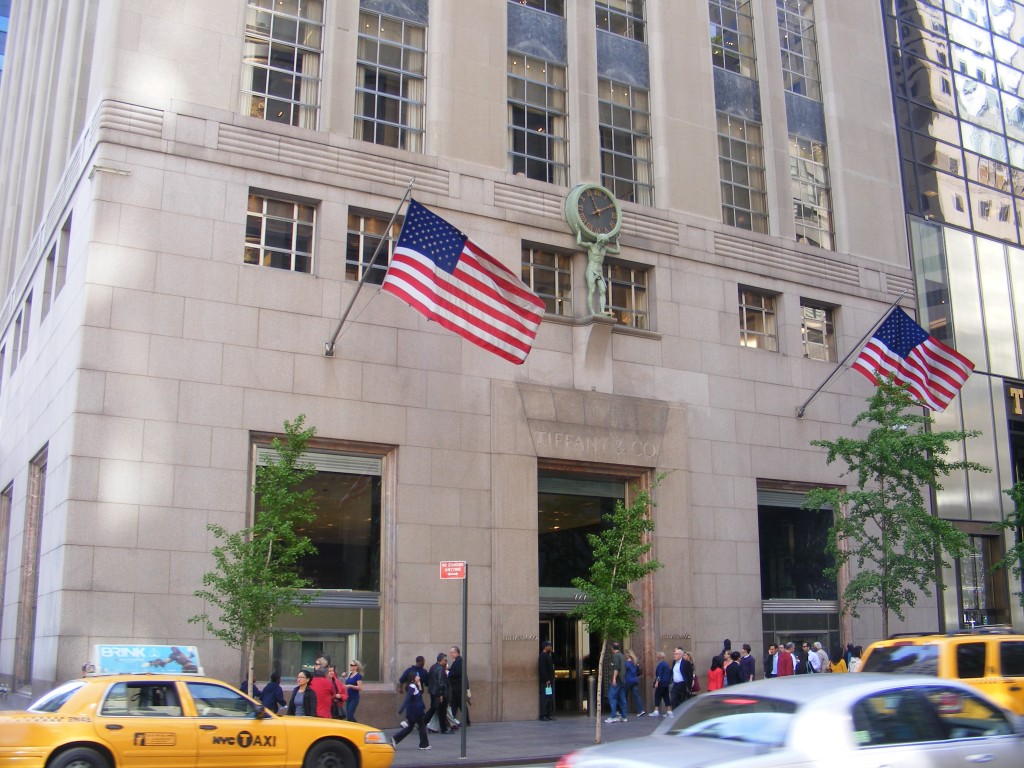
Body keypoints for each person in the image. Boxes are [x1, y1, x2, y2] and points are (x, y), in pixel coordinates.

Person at [393, 673, 430, 750]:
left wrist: (419, 685)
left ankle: (395, 739)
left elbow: (419, 694)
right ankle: (424, 744)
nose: (418, 677)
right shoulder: (412, 687)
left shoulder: (413, 686)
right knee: (422, 726)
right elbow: (407, 699)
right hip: (416, 711)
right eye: (417, 676)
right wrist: (401, 710)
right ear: (413, 678)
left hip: (415, 711)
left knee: (410, 727)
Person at [423, 652, 452, 734]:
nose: (446, 662)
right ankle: (444, 729)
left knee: (434, 709)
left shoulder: (433, 667)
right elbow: (441, 683)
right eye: (445, 660)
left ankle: (423, 723)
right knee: (441, 711)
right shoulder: (440, 669)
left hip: (433, 692)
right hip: (439, 693)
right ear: (442, 660)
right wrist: (441, 694)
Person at [448, 646, 470, 727]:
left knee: (460, 704)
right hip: (457, 687)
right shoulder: (457, 661)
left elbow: (457, 673)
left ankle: (465, 721)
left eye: (451, 652)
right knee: (455, 704)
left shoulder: (459, 661)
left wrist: (448, 673)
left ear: (456, 653)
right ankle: (453, 720)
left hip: (458, 687)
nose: (450, 654)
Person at [605, 642, 627, 722]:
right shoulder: (622, 655)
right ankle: (624, 716)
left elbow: (616, 668)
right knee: (622, 697)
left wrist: (614, 679)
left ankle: (613, 716)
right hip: (622, 679)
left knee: (611, 696)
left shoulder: (615, 656)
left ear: (612, 648)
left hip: (617, 679)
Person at [669, 646, 693, 711]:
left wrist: (689, 687)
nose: (674, 655)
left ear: (680, 655)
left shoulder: (686, 663)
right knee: (673, 701)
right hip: (675, 685)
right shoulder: (674, 662)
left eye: (676, 654)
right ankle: (674, 715)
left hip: (683, 685)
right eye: (674, 653)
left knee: (682, 702)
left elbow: (690, 676)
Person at [624, 650, 646, 716]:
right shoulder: (635, 662)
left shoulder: (627, 663)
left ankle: (622, 711)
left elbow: (623, 671)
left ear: (627, 655)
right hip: (635, 680)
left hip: (628, 680)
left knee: (623, 695)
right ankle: (641, 710)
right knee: (637, 695)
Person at [650, 651, 671, 717]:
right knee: (666, 696)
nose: (656, 657)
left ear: (659, 657)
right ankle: (669, 711)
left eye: (657, 655)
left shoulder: (660, 664)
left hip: (661, 683)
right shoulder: (666, 664)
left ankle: (656, 711)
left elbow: (659, 674)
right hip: (666, 683)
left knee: (657, 695)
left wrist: (657, 682)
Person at [538, 641, 555, 721]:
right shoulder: (542, 656)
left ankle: (548, 714)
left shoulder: (548, 656)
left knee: (549, 697)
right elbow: (542, 669)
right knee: (545, 698)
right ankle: (542, 715)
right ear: (545, 647)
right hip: (546, 682)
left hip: (549, 681)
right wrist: (547, 679)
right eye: (550, 646)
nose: (551, 647)